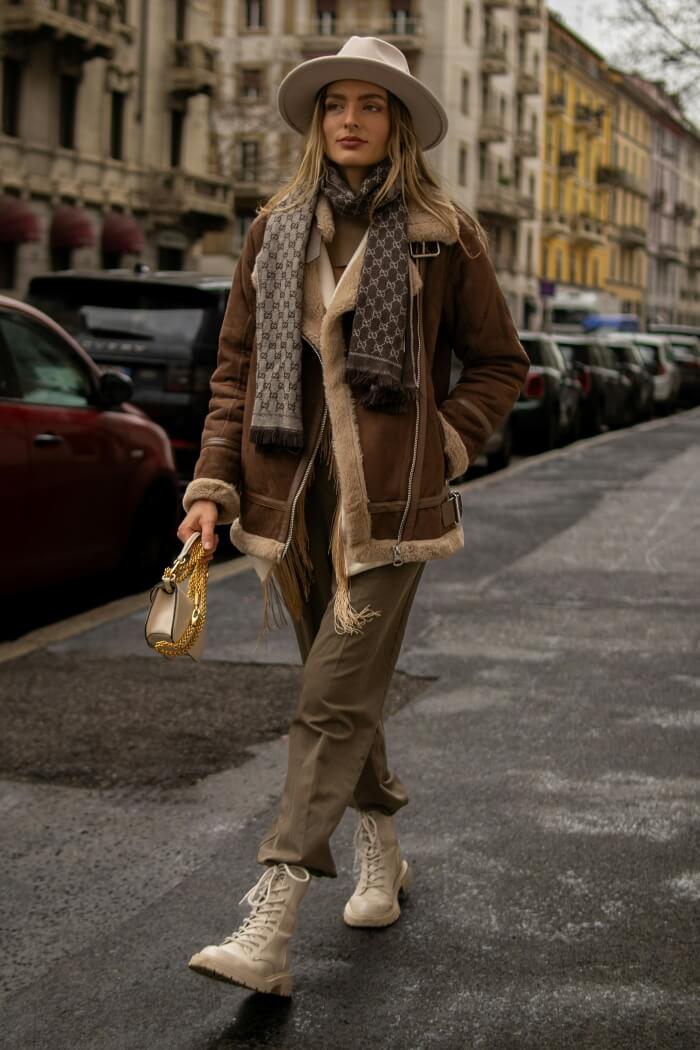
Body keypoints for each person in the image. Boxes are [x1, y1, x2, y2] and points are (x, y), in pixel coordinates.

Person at [179, 36, 529, 997]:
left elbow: (502, 364)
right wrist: (211, 487)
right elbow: (235, 372)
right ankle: (382, 848)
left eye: (371, 106)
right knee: (345, 693)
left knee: (330, 695)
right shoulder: (274, 228)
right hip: (291, 498)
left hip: (388, 507)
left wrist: (445, 442)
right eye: (336, 103)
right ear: (316, 120)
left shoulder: (441, 234)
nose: (350, 120)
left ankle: (273, 915)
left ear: (399, 124)